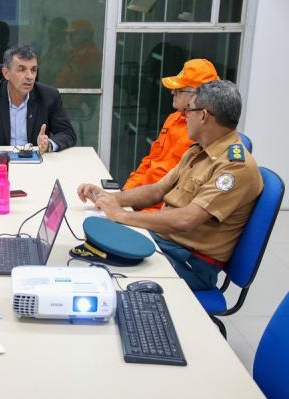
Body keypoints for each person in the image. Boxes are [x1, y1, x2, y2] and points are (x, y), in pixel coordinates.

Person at [77, 80, 263, 291]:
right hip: (165, 243)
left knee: (105, 277)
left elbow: (187, 219)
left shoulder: (234, 168)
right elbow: (156, 191)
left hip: (189, 262)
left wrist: (123, 216)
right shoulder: (199, 150)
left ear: (204, 116)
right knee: (88, 249)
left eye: (189, 110)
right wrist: (109, 198)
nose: (183, 116)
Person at [123, 59, 219, 211]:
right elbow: (151, 159)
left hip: (160, 210)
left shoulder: (204, 134)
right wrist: (127, 191)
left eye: (179, 89)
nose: (172, 92)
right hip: (141, 198)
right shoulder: (173, 118)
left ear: (199, 96)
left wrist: (129, 209)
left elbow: (182, 196)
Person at [0, 44, 76, 156]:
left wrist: (48, 144)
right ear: (6, 73)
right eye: (22, 69)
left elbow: (67, 133)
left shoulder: (49, 96)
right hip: (0, 161)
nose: (29, 76)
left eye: (33, 70)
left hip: (36, 162)